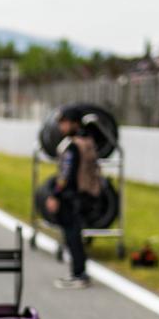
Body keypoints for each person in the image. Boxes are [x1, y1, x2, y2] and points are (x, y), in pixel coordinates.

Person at [44, 106, 101, 288]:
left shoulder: (73, 146)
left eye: (64, 122)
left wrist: (55, 195)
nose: (61, 126)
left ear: (74, 123)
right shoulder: (88, 141)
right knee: (75, 234)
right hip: (85, 194)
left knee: (72, 235)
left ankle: (79, 274)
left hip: (71, 196)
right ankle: (79, 272)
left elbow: (65, 174)